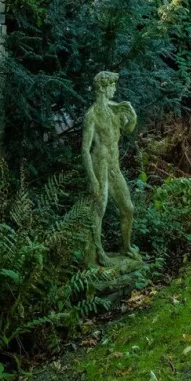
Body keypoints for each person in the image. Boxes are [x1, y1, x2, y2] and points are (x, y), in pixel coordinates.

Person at [81, 70, 139, 269]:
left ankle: (126, 247)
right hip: (100, 166)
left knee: (128, 208)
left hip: (114, 166)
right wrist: (93, 178)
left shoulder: (115, 109)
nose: (115, 89)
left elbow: (128, 129)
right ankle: (98, 252)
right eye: (113, 86)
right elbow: (85, 150)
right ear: (104, 88)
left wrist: (132, 115)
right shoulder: (92, 115)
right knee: (99, 209)